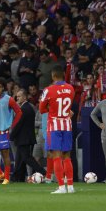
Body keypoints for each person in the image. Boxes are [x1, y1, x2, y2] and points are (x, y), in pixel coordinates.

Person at [39, 65, 75, 194]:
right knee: (67, 156)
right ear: (63, 75)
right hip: (67, 124)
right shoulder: (71, 88)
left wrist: (51, 109)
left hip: (54, 125)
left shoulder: (49, 90)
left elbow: (42, 109)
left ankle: (61, 187)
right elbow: (68, 107)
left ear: (53, 76)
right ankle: (70, 186)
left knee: (56, 156)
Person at [0, 77, 22, 185]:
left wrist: (11, 126)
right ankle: (0, 173)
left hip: (3, 131)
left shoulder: (9, 99)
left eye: (0, 87)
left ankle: (7, 177)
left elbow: (19, 112)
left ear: (3, 88)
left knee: (5, 155)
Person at [11, 89, 47, 183]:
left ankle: (43, 172)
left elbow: (18, 124)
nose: (17, 98)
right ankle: (17, 177)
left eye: (19, 96)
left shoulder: (24, 109)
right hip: (26, 138)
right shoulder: (28, 107)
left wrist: (11, 136)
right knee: (19, 159)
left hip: (24, 138)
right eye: (17, 96)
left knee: (27, 158)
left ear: (24, 97)